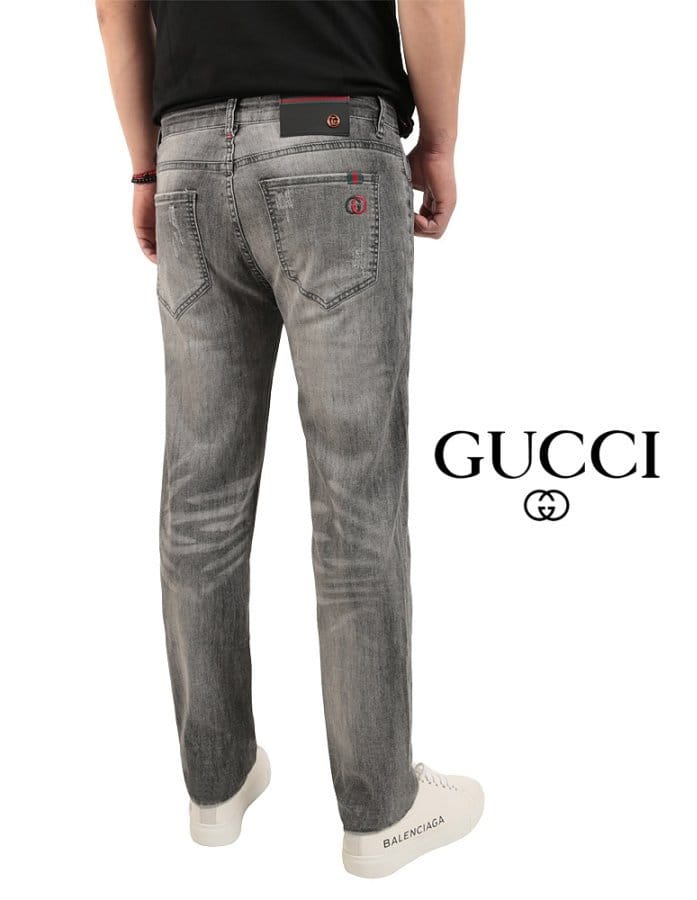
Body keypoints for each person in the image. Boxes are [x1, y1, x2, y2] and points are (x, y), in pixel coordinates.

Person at [96, 0, 482, 877]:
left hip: (188, 151)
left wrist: (147, 168)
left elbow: (114, 10)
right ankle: (381, 811)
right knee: (356, 495)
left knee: (200, 494)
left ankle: (215, 784)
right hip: (329, 135)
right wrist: (440, 143)